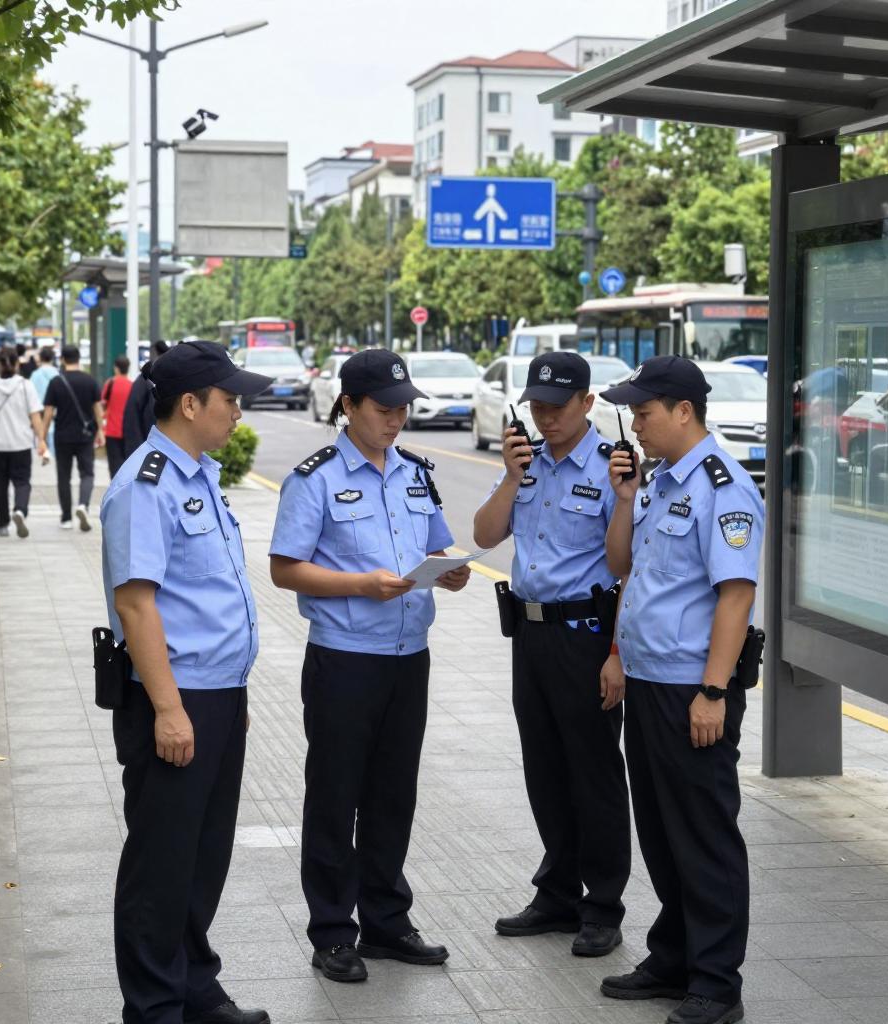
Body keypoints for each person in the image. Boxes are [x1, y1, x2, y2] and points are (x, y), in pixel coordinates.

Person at [268, 349, 469, 985]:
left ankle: (387, 922)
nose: (396, 420)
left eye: (403, 408)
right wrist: (359, 584)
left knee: (392, 794)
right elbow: (284, 567)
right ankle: (332, 931)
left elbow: (437, 542)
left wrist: (452, 567)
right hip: (346, 659)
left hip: (410, 658)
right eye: (384, 410)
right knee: (336, 795)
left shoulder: (414, 471)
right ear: (349, 406)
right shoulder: (315, 478)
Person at [100, 340, 274, 1024]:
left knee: (204, 855)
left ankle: (195, 986)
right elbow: (136, 605)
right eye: (230, 399)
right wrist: (170, 710)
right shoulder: (146, 484)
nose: (238, 410)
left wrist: (233, 694)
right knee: (161, 863)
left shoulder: (199, 475)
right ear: (191, 403)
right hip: (171, 696)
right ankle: (153, 1006)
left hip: (217, 693)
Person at [597, 356, 764, 1024]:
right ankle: (675, 956)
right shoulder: (661, 482)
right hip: (648, 680)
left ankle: (717, 983)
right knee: (663, 833)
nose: (635, 425)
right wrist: (626, 500)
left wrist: (714, 693)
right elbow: (627, 571)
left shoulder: (723, 487)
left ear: (683, 411)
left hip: (694, 690)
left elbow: (736, 595)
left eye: (643, 412)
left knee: (704, 835)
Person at [472, 351, 631, 958]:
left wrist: (615, 654)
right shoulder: (526, 462)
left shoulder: (615, 467)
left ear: (587, 404)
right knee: (544, 768)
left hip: (587, 634)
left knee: (593, 772)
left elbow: (628, 571)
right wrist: (512, 476)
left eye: (557, 407)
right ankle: (558, 893)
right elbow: (486, 534)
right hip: (531, 635)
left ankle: (603, 905)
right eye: (536, 406)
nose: (546, 417)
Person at [0, 348, 47, 537]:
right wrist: (41, 440)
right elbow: (35, 416)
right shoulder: (25, 385)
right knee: (22, 482)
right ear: (16, 364)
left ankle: (2, 524)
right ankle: (20, 510)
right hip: (20, 443)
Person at [42, 346, 105, 531]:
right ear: (78, 358)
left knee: (64, 477)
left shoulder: (56, 382)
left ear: (62, 359)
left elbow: (47, 413)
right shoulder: (90, 381)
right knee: (87, 473)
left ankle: (66, 518)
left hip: (62, 436)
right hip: (85, 436)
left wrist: (42, 437)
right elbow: (97, 409)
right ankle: (83, 505)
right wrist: (101, 430)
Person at [123, 340, 170, 457]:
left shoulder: (144, 380)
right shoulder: (174, 379)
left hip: (149, 446)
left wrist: (135, 449)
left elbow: (132, 413)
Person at [102, 355, 133, 480]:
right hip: (127, 432)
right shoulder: (132, 385)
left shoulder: (110, 384)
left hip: (112, 431)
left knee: (114, 465)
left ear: (116, 368)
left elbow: (103, 404)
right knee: (127, 464)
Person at [30, 347, 60, 458]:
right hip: (54, 409)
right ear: (52, 358)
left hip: (38, 410)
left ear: (41, 358)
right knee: (52, 432)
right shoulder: (57, 373)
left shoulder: (35, 374)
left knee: (40, 433)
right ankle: (51, 453)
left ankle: (42, 452)